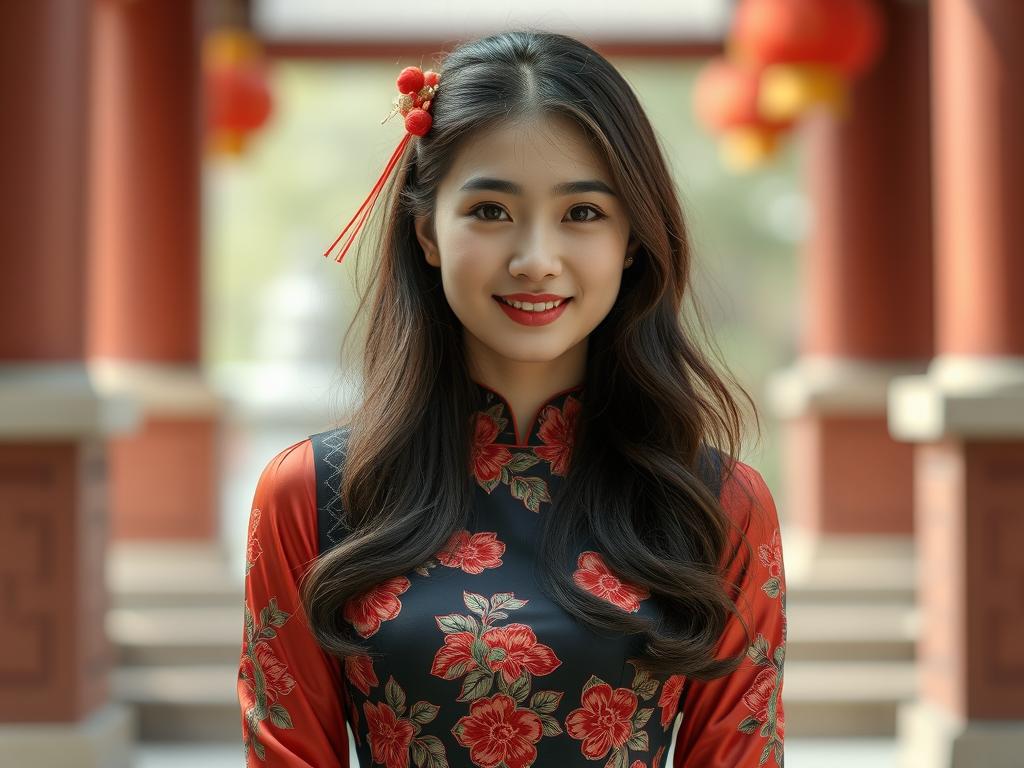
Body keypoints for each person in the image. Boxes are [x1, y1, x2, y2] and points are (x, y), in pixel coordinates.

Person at [237, 29, 786, 768]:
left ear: (632, 239)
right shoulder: (312, 494)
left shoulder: (717, 505)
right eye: (491, 211)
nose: (535, 259)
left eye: (582, 213)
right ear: (427, 229)